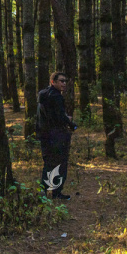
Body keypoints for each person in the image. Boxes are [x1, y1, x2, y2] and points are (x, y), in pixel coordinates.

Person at [37, 72, 78, 200]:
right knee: (60, 164)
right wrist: (71, 124)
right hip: (57, 135)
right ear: (53, 82)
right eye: (61, 81)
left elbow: (49, 115)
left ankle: (44, 191)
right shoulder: (57, 97)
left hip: (45, 135)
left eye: (65, 81)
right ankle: (56, 192)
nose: (64, 83)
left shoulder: (43, 95)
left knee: (49, 163)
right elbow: (59, 117)